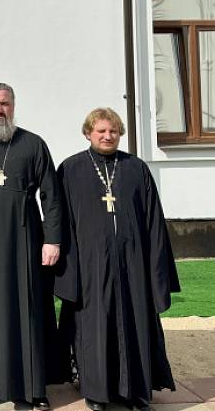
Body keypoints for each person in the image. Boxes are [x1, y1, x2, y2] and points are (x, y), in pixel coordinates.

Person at [54, 108, 180, 411]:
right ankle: (97, 394)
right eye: (101, 131)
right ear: (88, 133)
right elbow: (61, 222)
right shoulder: (70, 169)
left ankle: (136, 392)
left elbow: (153, 221)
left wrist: (155, 269)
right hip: (91, 265)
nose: (108, 136)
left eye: (113, 131)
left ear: (120, 133)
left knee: (135, 325)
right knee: (94, 329)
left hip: (133, 264)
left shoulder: (136, 168)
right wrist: (69, 269)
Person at [0, 82, 64, 409]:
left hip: (25, 238)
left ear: (14, 105)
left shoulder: (33, 144)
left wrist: (52, 240)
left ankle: (31, 388)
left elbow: (51, 196)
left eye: (4, 103)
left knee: (27, 308)